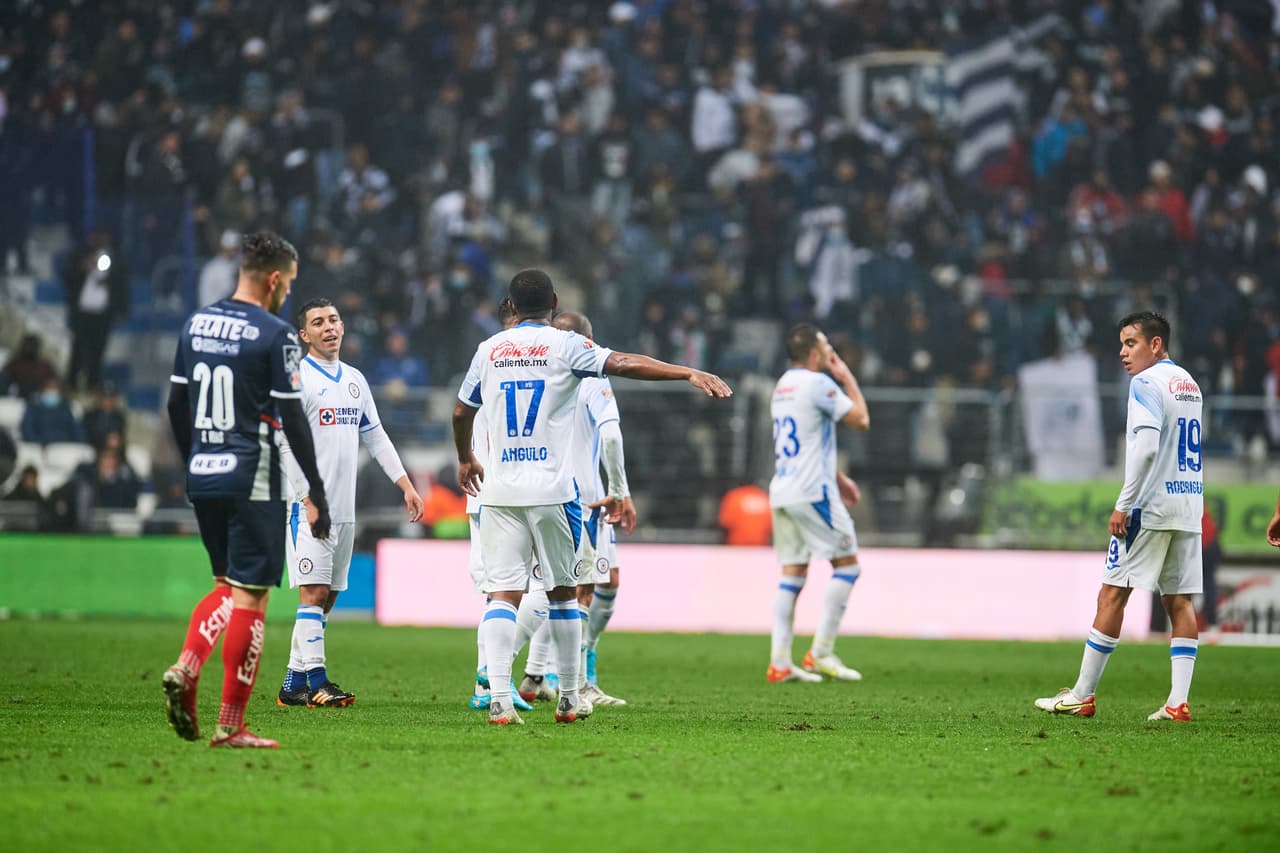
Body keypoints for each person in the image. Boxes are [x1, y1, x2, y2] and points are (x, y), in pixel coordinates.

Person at [453, 269, 732, 725]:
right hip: (553, 490)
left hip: (500, 492)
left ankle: (499, 698)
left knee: (503, 596)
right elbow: (625, 363)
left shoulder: (489, 349)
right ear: (554, 304)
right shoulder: (566, 345)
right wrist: (687, 371)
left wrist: (465, 458)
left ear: (511, 306)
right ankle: (568, 697)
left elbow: (461, 411)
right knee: (564, 596)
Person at [162, 231, 331, 749]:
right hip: (253, 475)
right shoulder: (275, 334)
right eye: (290, 284)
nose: (288, 293)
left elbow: (175, 405)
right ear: (275, 279)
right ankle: (230, 724)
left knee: (223, 585)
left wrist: (195, 459)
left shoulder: (196, 323)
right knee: (252, 597)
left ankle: (187, 665)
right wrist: (317, 490)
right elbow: (292, 419)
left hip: (204, 471)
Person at [1037, 311, 1204, 722]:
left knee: (1111, 595)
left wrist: (1124, 504)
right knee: (1179, 601)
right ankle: (1177, 702)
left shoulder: (1145, 383)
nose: (1123, 353)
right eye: (1122, 344)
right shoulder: (1189, 383)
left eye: (1131, 343)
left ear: (1155, 344)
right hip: (1187, 505)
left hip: (1150, 507)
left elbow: (1146, 449)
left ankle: (1081, 695)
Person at [274, 297, 424, 709]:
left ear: (343, 327)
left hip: (344, 510)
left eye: (334, 320)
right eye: (318, 322)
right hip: (309, 508)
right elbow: (284, 444)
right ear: (304, 335)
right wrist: (307, 498)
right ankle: (318, 682)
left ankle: (292, 684)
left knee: (328, 597)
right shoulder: (297, 379)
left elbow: (375, 436)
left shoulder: (355, 380)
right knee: (314, 592)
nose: (329, 327)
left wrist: (405, 484)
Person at [516, 311, 635, 709]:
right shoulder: (592, 377)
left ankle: (537, 675)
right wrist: (619, 491)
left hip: (542, 489)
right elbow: (612, 436)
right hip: (584, 499)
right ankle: (578, 683)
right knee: (574, 591)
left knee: (588, 583)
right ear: (589, 340)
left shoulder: (540, 373)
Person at [766, 324, 870, 684]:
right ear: (813, 353)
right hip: (812, 492)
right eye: (826, 347)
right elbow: (861, 420)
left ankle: (780, 662)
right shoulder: (819, 383)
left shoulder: (783, 385)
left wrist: (838, 477)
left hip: (784, 488)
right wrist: (846, 376)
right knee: (848, 566)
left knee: (792, 574)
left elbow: (806, 439)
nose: (830, 354)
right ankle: (821, 653)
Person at [463, 300, 534, 714]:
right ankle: (488, 679)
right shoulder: (493, 365)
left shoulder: (494, 366)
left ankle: (491, 680)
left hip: (508, 493)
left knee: (512, 594)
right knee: (504, 593)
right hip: (494, 495)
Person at [63, 228, 129, 392]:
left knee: (98, 350)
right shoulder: (80, 256)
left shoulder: (117, 260)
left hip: (103, 315)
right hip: (82, 313)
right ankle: (72, 383)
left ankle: (93, 384)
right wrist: (82, 267)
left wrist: (122, 310)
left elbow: (122, 286)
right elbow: (67, 278)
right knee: (78, 349)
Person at [20, 378, 86, 445]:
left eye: (54, 389)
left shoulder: (65, 408)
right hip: (41, 445)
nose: (52, 392)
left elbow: (76, 429)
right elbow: (27, 429)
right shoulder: (33, 408)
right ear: (43, 391)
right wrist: (37, 443)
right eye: (49, 388)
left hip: (64, 444)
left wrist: (81, 443)